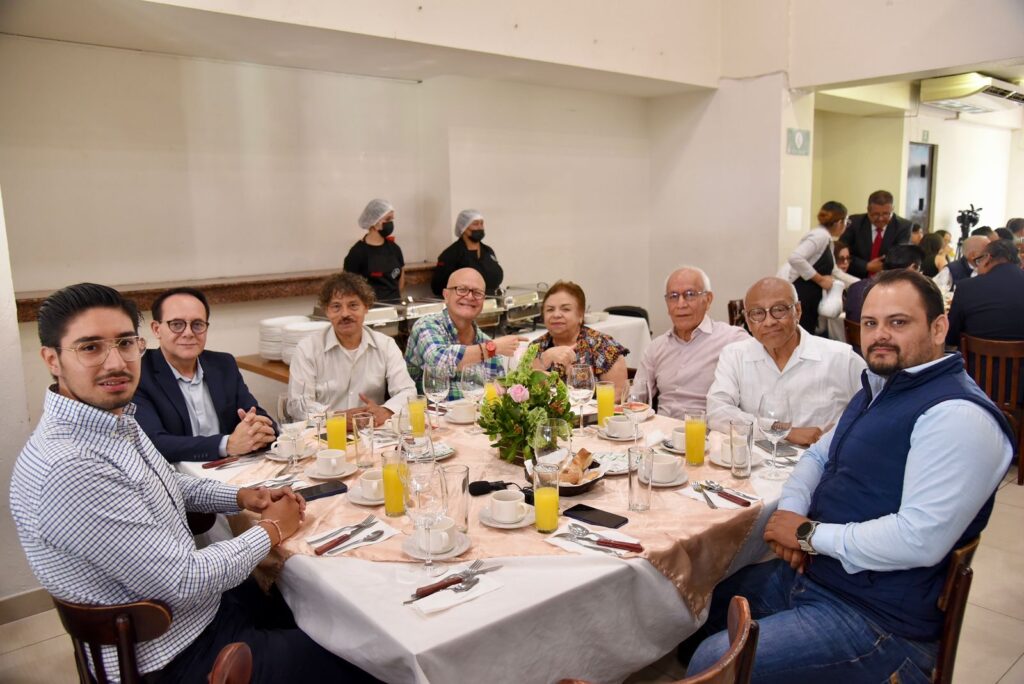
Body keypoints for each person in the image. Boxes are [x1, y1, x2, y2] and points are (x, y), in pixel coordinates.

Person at [9, 283, 373, 682]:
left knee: (326, 611)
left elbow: (166, 481)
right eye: (91, 347)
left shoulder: (109, 423)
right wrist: (271, 528)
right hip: (175, 654)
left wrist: (241, 496)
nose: (115, 362)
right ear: (52, 359)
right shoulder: (73, 466)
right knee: (364, 657)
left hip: (198, 614)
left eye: (125, 343)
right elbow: (184, 579)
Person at [688, 270, 1014, 683]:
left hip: (877, 618)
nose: (880, 335)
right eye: (871, 323)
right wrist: (790, 517)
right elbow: (817, 456)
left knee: (714, 659)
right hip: (821, 575)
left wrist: (806, 535)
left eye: (898, 322)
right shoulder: (882, 388)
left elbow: (919, 539)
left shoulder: (957, 415)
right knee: (704, 601)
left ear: (938, 327)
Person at [706, 277, 865, 446]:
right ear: (747, 320)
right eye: (758, 313)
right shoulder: (735, 355)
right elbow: (717, 412)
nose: (769, 322)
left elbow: (877, 410)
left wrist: (843, 433)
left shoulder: (842, 359)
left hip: (821, 460)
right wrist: (783, 431)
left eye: (779, 310)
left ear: (798, 311)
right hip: (754, 460)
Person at [134, 287, 276, 462]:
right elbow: (153, 443)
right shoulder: (139, 373)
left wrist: (259, 428)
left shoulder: (224, 364)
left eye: (197, 324)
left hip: (233, 468)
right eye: (177, 324)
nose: (188, 333)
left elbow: (259, 417)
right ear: (156, 329)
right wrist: (226, 445)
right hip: (176, 474)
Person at [289, 272, 417, 426]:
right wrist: (336, 417)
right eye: (336, 306)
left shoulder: (386, 345)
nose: (345, 314)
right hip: (325, 433)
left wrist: (386, 410)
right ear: (327, 311)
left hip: (370, 432)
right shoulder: (307, 349)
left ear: (366, 307)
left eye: (353, 305)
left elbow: (408, 391)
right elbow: (298, 405)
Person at [633, 267, 748, 418]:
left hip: (707, 430)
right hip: (661, 429)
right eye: (673, 296)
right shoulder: (656, 348)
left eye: (690, 294)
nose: (681, 304)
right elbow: (636, 399)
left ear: (708, 299)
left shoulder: (732, 339)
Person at [406, 268, 523, 398]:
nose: (469, 296)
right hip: (427, 411)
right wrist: (491, 349)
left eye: (477, 293)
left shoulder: (487, 343)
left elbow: (498, 395)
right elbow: (439, 363)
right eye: (462, 289)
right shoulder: (426, 326)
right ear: (446, 295)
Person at [531, 280, 629, 396]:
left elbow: (618, 394)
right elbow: (522, 391)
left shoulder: (603, 346)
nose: (556, 315)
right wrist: (543, 361)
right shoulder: (536, 347)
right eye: (550, 309)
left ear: (580, 315)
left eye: (565, 309)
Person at [945, 239, 1024, 346]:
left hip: (977, 356)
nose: (977, 268)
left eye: (978, 261)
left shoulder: (966, 287)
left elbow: (951, 336)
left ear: (987, 258)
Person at [786, 201, 848, 333]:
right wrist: (820, 279)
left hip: (811, 296)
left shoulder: (826, 238)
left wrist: (860, 283)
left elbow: (835, 272)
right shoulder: (820, 236)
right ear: (839, 222)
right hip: (804, 294)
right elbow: (795, 258)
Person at [840, 190, 913, 278]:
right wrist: (866, 266)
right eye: (876, 214)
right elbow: (840, 253)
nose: (881, 218)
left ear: (892, 209)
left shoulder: (903, 226)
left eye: (886, 214)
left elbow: (901, 257)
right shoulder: (854, 223)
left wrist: (883, 266)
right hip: (854, 277)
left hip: (888, 278)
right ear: (868, 210)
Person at [430, 209, 504, 296]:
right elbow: (438, 287)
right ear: (463, 227)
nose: (480, 227)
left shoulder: (488, 251)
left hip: (492, 301)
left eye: (481, 224)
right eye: (475, 224)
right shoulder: (451, 254)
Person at [343, 198, 405, 302]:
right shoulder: (357, 253)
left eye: (392, 220)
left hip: (395, 307)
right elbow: (349, 287)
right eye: (387, 219)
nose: (391, 224)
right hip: (371, 309)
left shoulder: (394, 248)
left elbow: (401, 279)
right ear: (374, 222)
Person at [844, 244, 923, 324]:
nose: (921, 274)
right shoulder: (905, 295)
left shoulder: (854, 287)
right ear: (913, 267)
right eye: (920, 270)